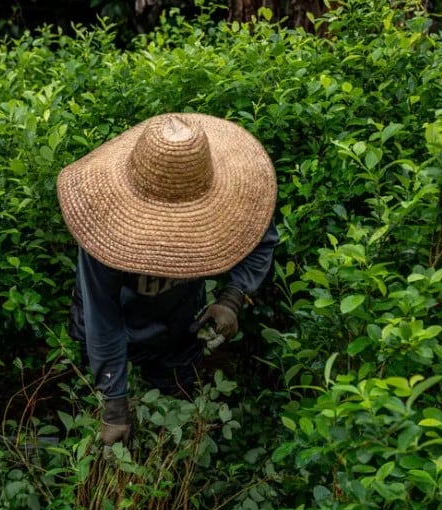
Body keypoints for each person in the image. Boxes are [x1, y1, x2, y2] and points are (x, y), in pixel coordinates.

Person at [57, 113, 278, 446]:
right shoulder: (104, 223)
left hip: (179, 329)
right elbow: (101, 315)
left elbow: (262, 240)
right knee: (100, 437)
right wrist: (114, 405)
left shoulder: (236, 200)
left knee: (177, 432)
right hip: (110, 334)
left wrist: (232, 298)